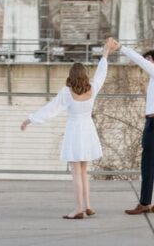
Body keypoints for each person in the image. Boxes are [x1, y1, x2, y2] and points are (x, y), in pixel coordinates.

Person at [20, 38, 112, 219]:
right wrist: (105, 53)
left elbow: (50, 109)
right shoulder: (92, 88)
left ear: (71, 75)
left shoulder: (66, 92)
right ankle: (87, 205)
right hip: (88, 130)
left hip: (74, 131)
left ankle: (78, 209)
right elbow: (101, 73)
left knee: (76, 172)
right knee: (84, 171)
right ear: (85, 75)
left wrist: (29, 120)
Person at [107, 38, 154, 215]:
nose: (146, 63)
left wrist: (120, 47)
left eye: (149, 60)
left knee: (147, 164)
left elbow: (138, 60)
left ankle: (144, 203)